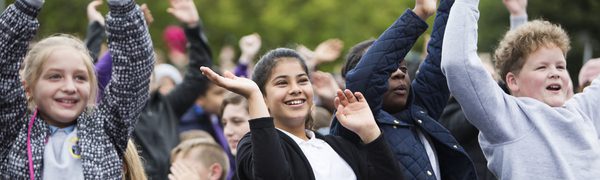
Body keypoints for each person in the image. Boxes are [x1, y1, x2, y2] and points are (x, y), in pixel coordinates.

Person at [442, 0, 600, 179]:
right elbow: (457, 64)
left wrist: (519, 15)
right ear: (513, 82)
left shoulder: (584, 110)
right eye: (542, 67)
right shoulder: (507, 118)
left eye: (560, 66)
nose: (555, 73)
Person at [0, 0, 154, 179]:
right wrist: (26, 6)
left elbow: (135, 69)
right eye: (55, 76)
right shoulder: (12, 129)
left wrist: (123, 7)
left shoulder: (106, 129)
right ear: (29, 87)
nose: (69, 87)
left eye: (80, 78)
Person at [200, 48, 403, 180]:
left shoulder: (338, 146)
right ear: (264, 98)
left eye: (302, 80)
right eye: (282, 83)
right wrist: (253, 95)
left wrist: (370, 133)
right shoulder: (251, 145)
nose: (296, 89)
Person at [331, 0, 477, 179]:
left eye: (404, 68)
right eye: (388, 70)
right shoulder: (351, 126)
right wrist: (420, 13)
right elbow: (365, 79)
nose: (399, 73)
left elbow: (440, 55)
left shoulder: (420, 112)